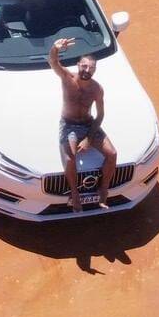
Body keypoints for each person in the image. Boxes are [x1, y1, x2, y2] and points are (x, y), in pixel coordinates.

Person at [48, 36, 118, 211]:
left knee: (112, 153)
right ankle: (75, 193)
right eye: (84, 66)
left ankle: (103, 190)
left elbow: (100, 115)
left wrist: (89, 138)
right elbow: (53, 61)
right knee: (70, 157)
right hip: (69, 125)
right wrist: (55, 48)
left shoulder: (97, 89)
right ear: (78, 65)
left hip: (88, 124)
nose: (87, 70)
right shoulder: (67, 77)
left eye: (91, 67)